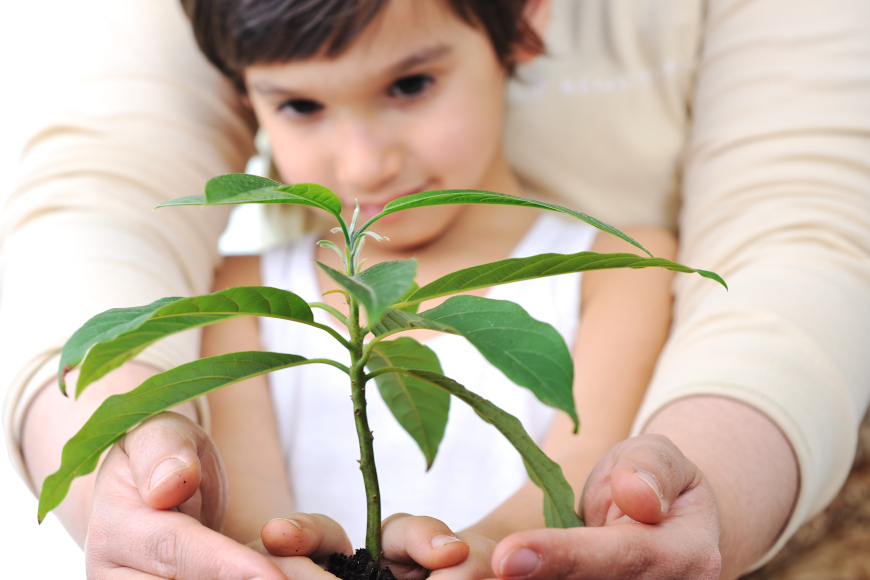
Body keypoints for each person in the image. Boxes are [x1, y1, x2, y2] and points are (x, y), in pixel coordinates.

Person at [2, 0, 869, 578]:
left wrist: (481, 553)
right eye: (301, 106)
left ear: (522, 28)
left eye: (410, 85)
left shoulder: (616, 269)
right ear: (243, 99)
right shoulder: (240, 294)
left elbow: (573, 482)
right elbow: (256, 515)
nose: (364, 162)